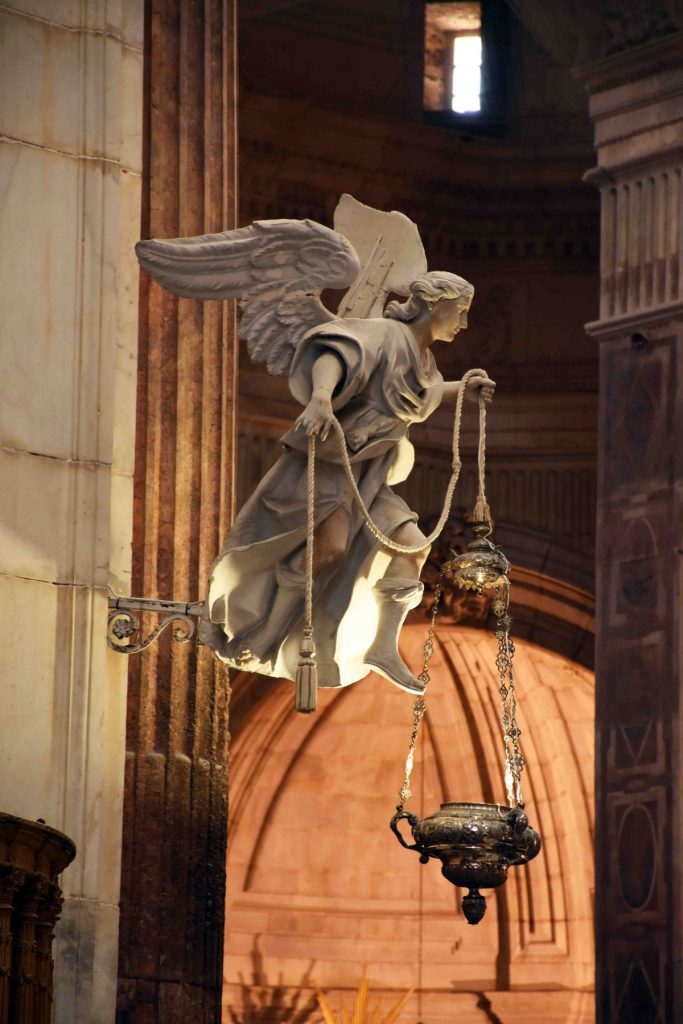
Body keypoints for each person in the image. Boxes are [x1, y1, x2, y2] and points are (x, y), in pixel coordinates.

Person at [201, 270, 495, 693]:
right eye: (460, 311)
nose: (464, 323)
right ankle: (267, 632)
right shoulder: (386, 335)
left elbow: (421, 394)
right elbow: (336, 352)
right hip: (335, 465)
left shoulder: (424, 360)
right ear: (435, 305)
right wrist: (321, 398)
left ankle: (382, 647)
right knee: (331, 549)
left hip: (370, 477)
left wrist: (462, 389)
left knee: (413, 545)